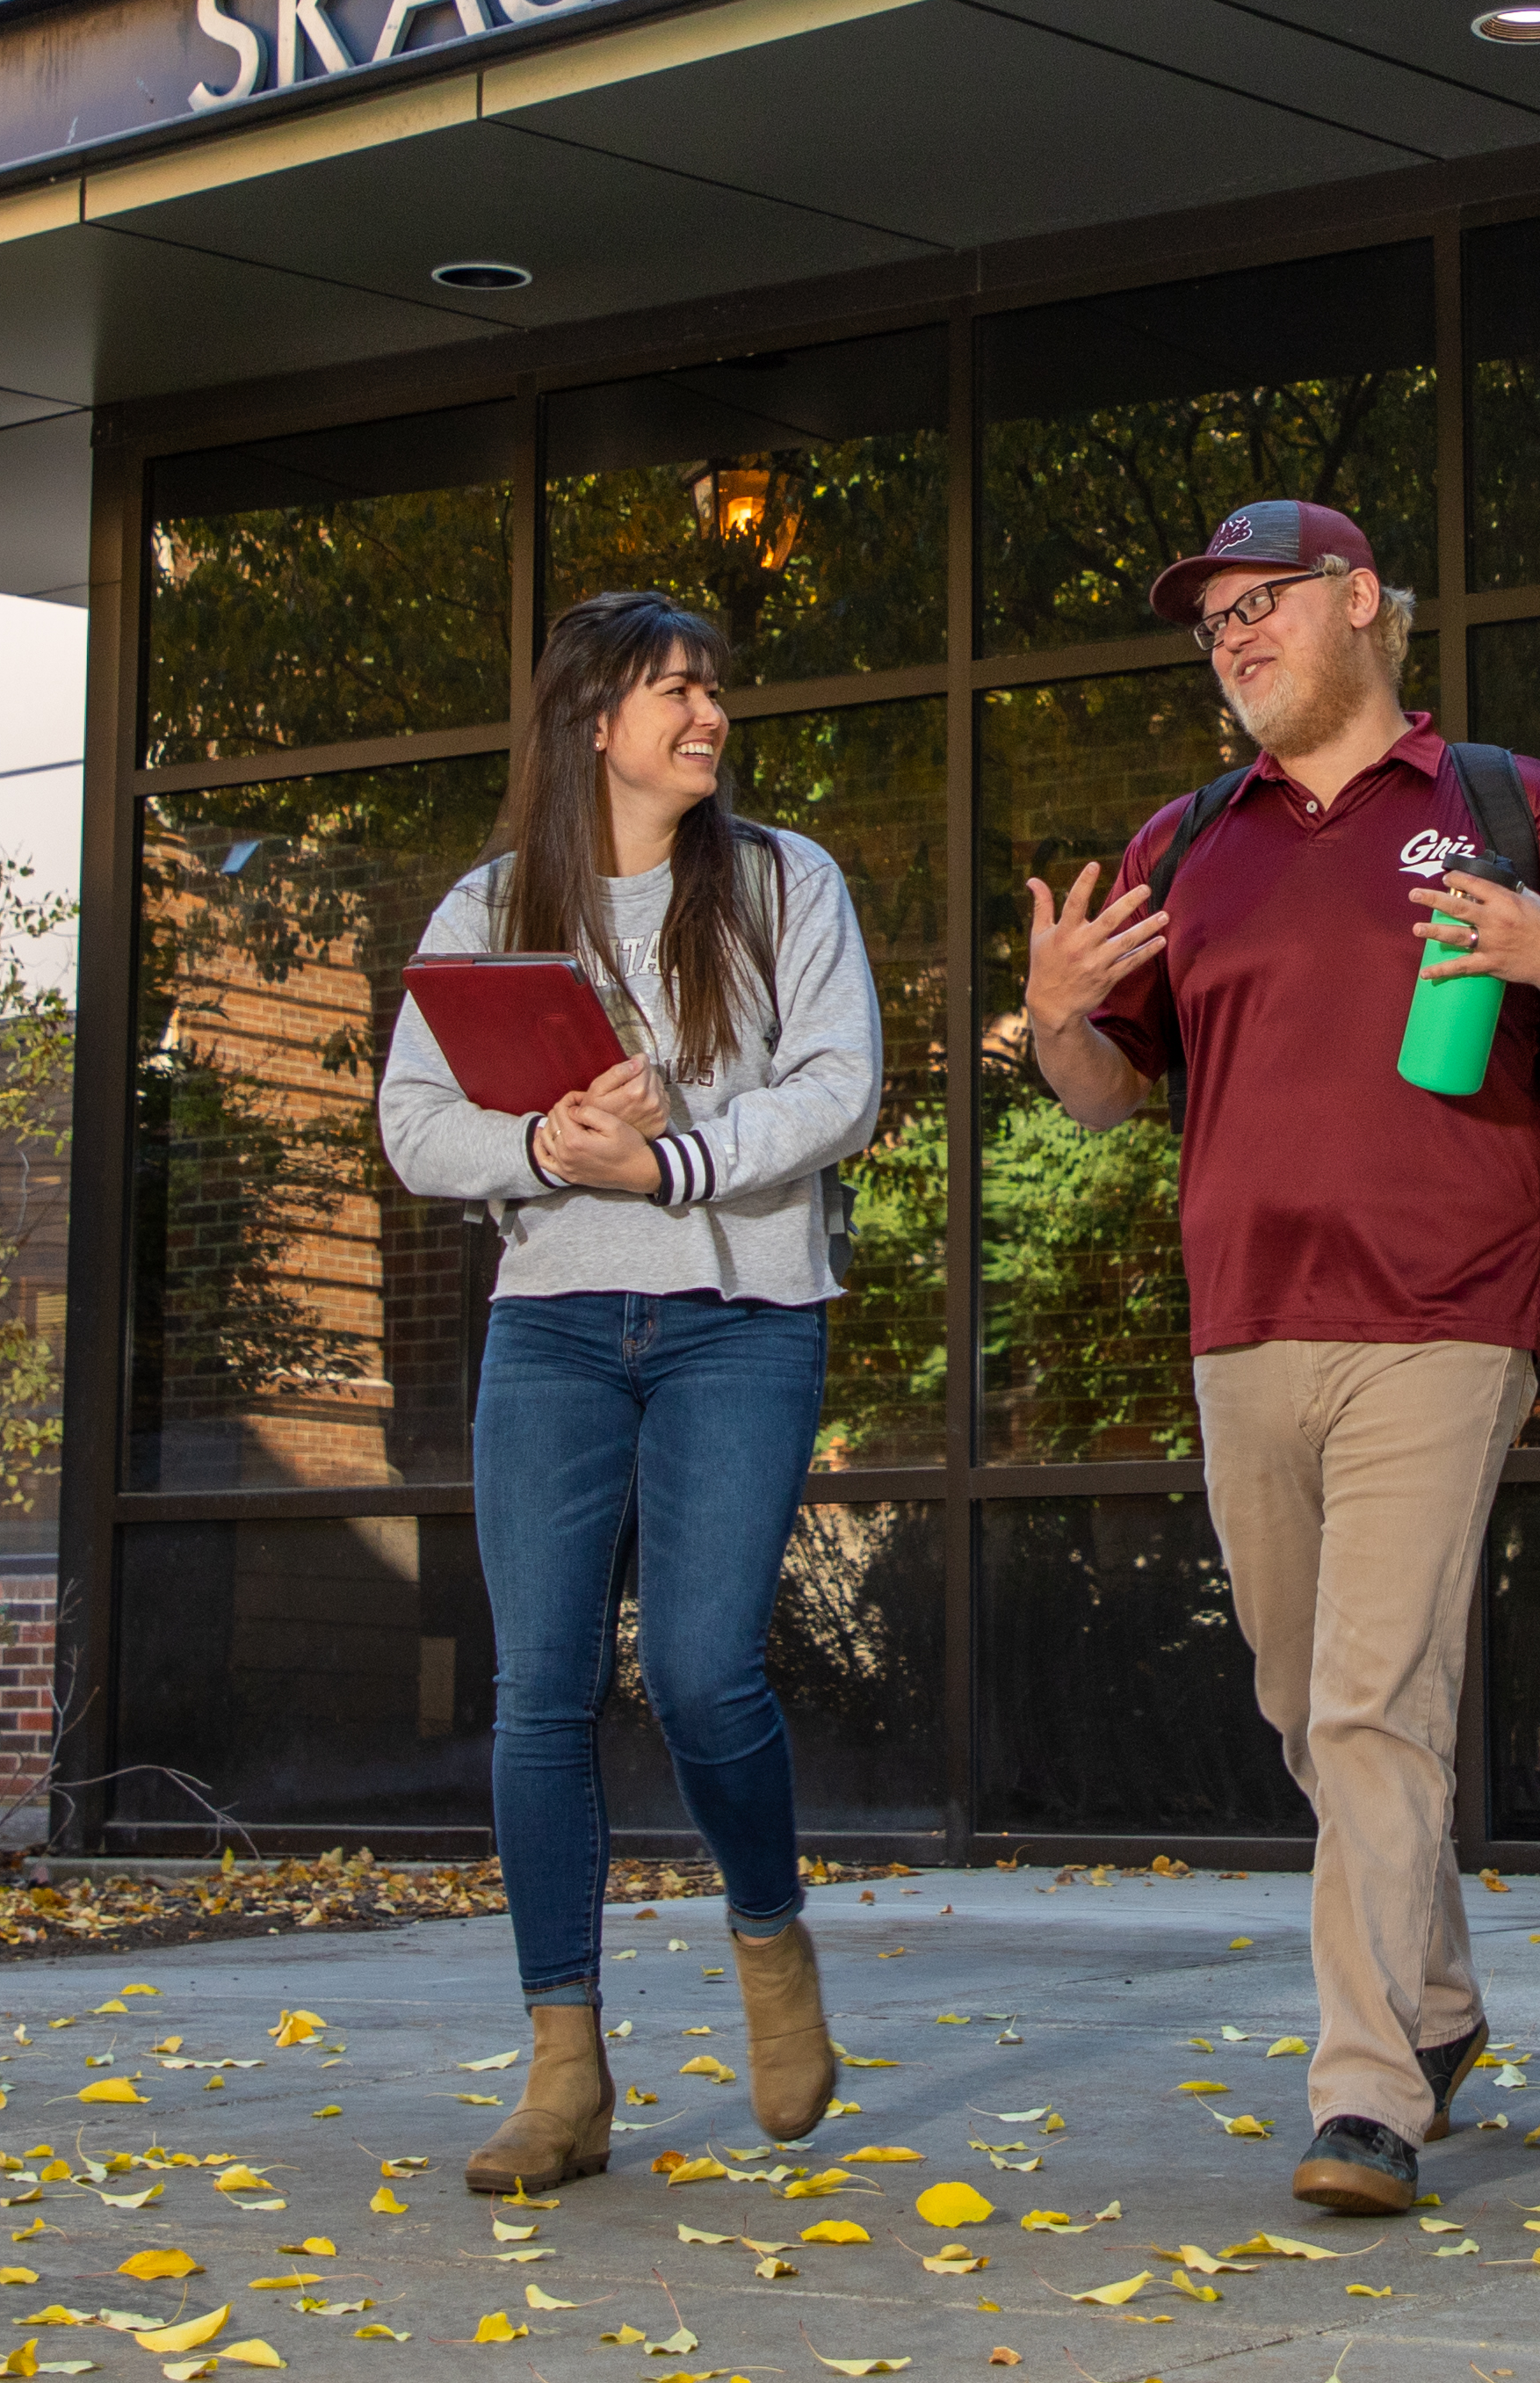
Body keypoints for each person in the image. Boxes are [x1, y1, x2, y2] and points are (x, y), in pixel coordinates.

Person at [1016, 497, 1540, 2219]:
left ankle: (1368, 2095)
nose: (1231, 635)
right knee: (1309, 1706)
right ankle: (1437, 2002)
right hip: (1243, 1325)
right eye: (1212, 619)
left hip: (1442, 1318)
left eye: (1263, 602)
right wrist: (1056, 1019)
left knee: (1375, 1702)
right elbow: (1108, 1093)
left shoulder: (1504, 803)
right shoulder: (1189, 840)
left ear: (1363, 599)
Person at [378, 590, 883, 2198]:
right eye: (677, 689)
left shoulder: (787, 881)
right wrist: (544, 1144)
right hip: (555, 1323)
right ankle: (564, 2071)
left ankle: (768, 1934)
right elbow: (412, 1120)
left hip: (742, 1316)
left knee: (702, 1670)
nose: (710, 714)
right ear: (595, 720)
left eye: (714, 689)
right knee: (539, 1689)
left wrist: (676, 1156)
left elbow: (842, 1087)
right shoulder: (489, 907)